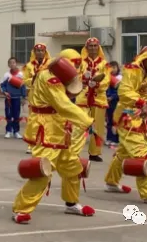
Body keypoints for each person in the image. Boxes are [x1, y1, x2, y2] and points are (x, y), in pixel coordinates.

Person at [14, 49, 95, 224]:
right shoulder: (48, 78)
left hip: (60, 127)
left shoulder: (57, 76)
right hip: (46, 128)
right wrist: (86, 120)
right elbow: (63, 104)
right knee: (43, 170)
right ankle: (21, 209)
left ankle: (71, 203)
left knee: (72, 168)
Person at [103, 45, 147, 207]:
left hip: (140, 116)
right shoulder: (133, 70)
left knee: (123, 153)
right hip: (128, 116)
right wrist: (141, 102)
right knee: (141, 154)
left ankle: (111, 182)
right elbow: (124, 91)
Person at [75, 38, 110, 162]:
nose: (93, 48)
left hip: (98, 98)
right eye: (90, 46)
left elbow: (107, 80)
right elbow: (75, 76)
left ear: (98, 47)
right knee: (80, 124)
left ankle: (94, 153)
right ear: (86, 47)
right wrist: (83, 78)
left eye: (95, 46)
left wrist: (97, 85)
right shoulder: (81, 63)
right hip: (83, 97)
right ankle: (75, 151)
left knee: (98, 126)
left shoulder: (104, 64)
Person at [23, 44, 51, 153]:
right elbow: (25, 80)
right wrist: (34, 79)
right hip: (33, 97)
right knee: (32, 121)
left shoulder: (50, 64)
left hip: (47, 97)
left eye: (41, 50)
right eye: (37, 51)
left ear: (45, 52)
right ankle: (31, 145)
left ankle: (45, 143)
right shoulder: (29, 66)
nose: (39, 52)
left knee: (47, 121)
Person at [0, 57, 26, 139]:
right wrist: (4, 92)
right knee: (8, 115)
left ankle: (16, 131)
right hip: (8, 98)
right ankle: (8, 131)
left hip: (17, 98)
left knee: (16, 115)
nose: (12, 64)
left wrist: (23, 97)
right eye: (10, 63)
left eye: (13, 62)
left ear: (16, 63)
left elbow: (23, 87)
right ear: (8, 65)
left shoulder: (20, 75)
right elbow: (2, 85)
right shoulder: (6, 75)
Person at [105, 61, 120, 147]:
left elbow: (120, 91)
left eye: (114, 67)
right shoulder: (107, 78)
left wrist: (112, 97)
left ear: (117, 68)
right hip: (108, 103)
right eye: (111, 68)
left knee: (116, 121)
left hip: (116, 102)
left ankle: (116, 139)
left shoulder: (119, 78)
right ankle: (109, 138)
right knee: (109, 121)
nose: (113, 70)